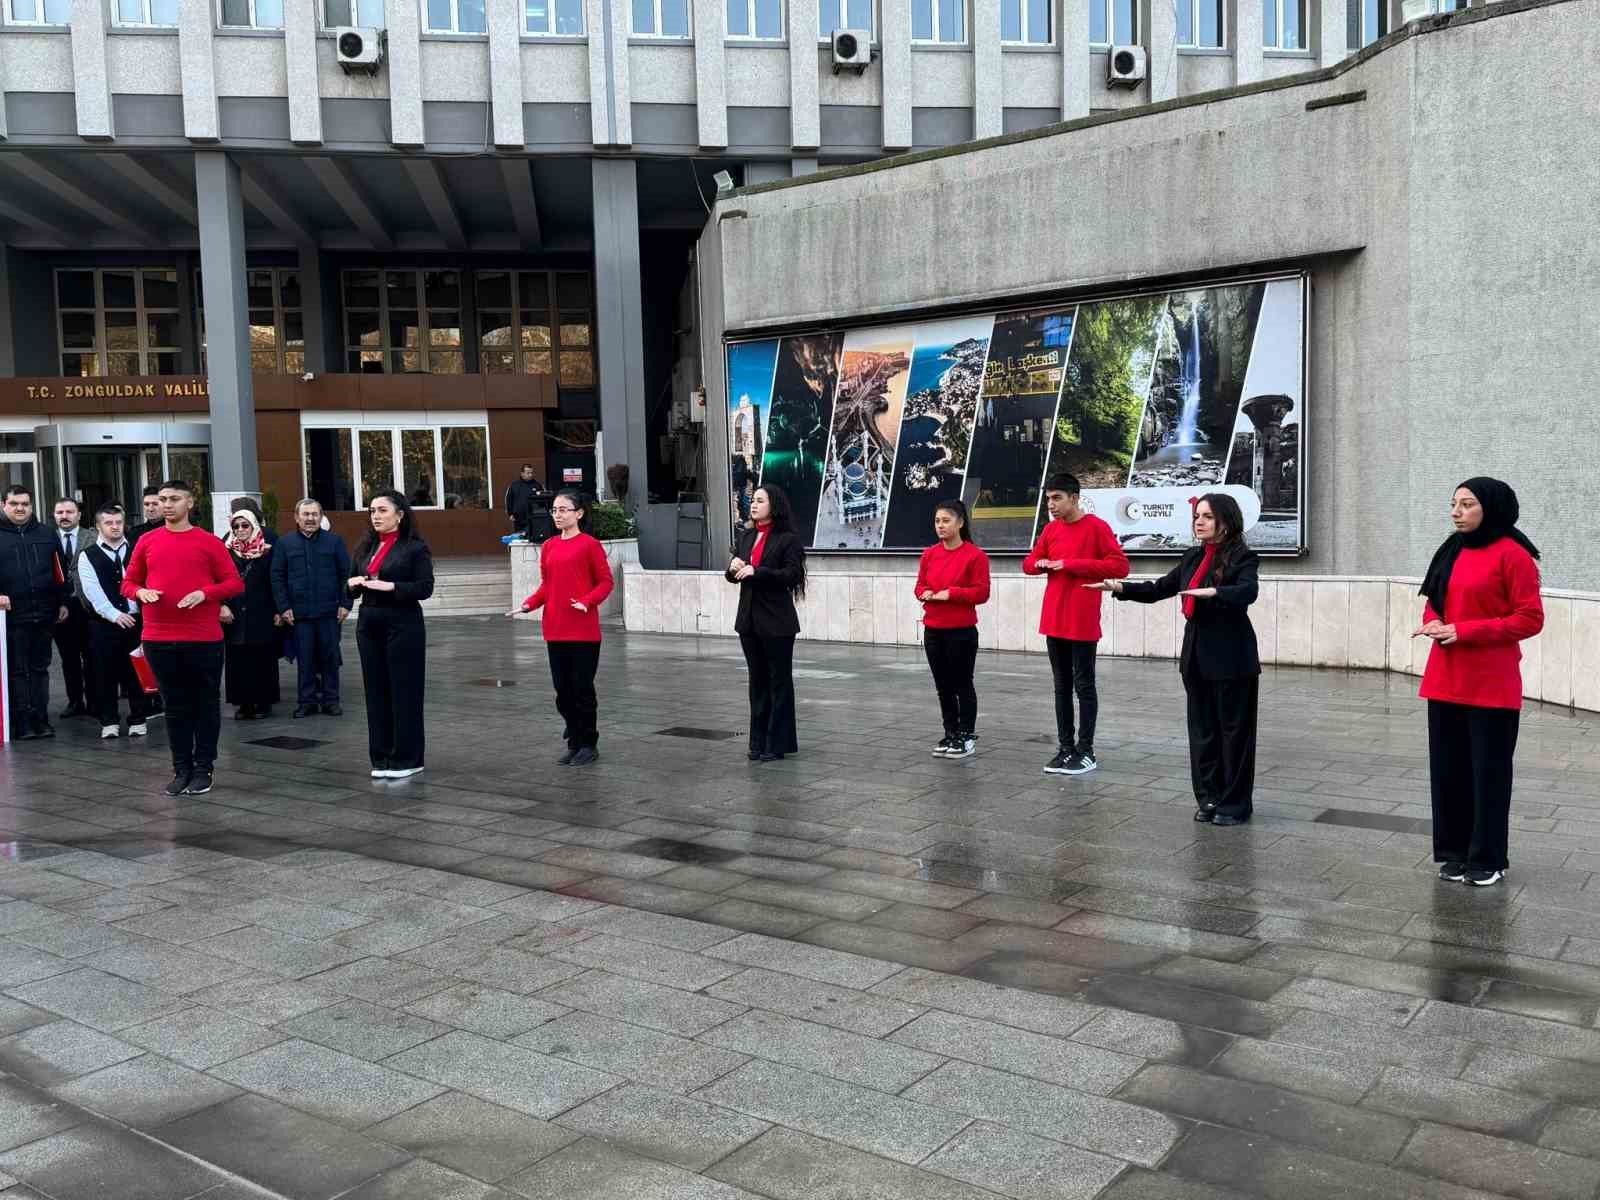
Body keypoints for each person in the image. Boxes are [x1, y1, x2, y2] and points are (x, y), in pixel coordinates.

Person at [1090, 494, 1260, 826]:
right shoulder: (1193, 557)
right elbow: (1158, 588)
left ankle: (1235, 804)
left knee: (1234, 733)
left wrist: (1217, 593)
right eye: (1197, 515)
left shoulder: (1243, 557)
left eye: (1208, 516)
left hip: (1232, 657)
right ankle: (1209, 798)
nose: (1199, 521)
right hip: (1196, 657)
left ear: (1226, 521)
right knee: (1203, 733)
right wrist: (1119, 586)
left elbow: (1248, 591)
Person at [1415, 477, 1544, 888]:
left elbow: (1530, 618)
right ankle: (1453, 853)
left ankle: (1487, 857)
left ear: (1490, 507)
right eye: (1454, 503)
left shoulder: (1514, 555)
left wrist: (1466, 632)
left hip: (1491, 684)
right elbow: (1434, 603)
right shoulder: (1451, 550)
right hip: (1445, 679)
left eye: (1467, 504)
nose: (1456, 511)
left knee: (1487, 774)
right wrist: (1433, 623)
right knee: (1448, 773)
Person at [122, 480, 243, 796]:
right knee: (173, 706)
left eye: (174, 499)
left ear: (189, 503)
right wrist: (140, 591)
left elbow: (234, 583)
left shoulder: (209, 542)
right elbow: (128, 583)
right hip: (159, 637)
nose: (166, 505)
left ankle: (204, 768)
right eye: (162, 499)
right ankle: (181, 769)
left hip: (203, 637)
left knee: (204, 704)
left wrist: (205, 593)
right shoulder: (147, 541)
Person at [1023, 473, 1130, 775]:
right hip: (1053, 620)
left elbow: (1120, 566)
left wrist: (1071, 565)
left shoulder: (1097, 528)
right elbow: (1029, 563)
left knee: (1084, 686)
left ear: (1074, 497)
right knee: (1061, 687)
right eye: (1048, 499)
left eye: (1057, 498)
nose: (1051, 505)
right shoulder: (1051, 530)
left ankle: (1086, 751)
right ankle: (1065, 748)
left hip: (1082, 621)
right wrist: (1041, 564)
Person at [507, 490, 614, 766]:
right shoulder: (550, 546)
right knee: (563, 692)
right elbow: (547, 586)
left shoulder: (589, 544)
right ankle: (574, 739)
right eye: (555, 510)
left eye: (564, 509)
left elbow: (605, 583)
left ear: (579, 513)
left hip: (583, 630)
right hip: (555, 628)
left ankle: (588, 743)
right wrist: (529, 604)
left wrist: (587, 602)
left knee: (582, 690)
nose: (558, 514)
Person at [349, 490, 434, 779]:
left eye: (382, 510)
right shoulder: (365, 547)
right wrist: (353, 584)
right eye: (372, 510)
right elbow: (350, 582)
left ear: (400, 515)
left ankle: (408, 758)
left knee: (403, 691)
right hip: (369, 622)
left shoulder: (414, 548)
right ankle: (381, 756)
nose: (376, 516)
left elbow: (424, 587)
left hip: (402, 622)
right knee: (375, 691)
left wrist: (392, 587)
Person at [726, 483, 806, 763]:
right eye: (753, 500)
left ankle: (778, 743)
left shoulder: (788, 539)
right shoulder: (747, 536)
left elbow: (792, 575)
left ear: (774, 505)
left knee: (778, 681)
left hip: (777, 621)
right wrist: (733, 569)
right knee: (756, 681)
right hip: (748, 620)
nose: (754, 504)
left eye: (760, 500)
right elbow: (736, 574)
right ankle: (757, 741)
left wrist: (758, 572)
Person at [915, 500, 991, 759]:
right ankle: (950, 732)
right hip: (933, 629)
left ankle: (966, 735)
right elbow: (919, 586)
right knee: (943, 685)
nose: (940, 526)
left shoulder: (975, 555)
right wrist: (925, 593)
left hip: (961, 631)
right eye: (937, 521)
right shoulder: (929, 554)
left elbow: (982, 593)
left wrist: (952, 594)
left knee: (962, 683)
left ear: (960, 523)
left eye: (946, 521)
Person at [0, 485, 69, 740]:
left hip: (44, 613)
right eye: (14, 503)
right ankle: (21, 722)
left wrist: (62, 601)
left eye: (25, 504)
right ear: (3, 505)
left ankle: (40, 719)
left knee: (41, 669)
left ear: (32, 506)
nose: (20, 508)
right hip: (11, 617)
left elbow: (60, 571)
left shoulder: (47, 533)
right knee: (17, 671)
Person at [76, 504, 151, 739]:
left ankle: (139, 718)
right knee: (105, 672)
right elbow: (92, 591)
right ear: (98, 526)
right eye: (109, 523)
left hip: (137, 621)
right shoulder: (87, 556)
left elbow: (146, 582)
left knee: (136, 671)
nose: (115, 527)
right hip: (104, 624)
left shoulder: (137, 550)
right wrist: (115, 615)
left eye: (118, 522)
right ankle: (109, 721)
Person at [271, 498, 350, 718]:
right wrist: (284, 607)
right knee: (305, 660)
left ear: (321, 516)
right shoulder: (285, 544)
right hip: (299, 614)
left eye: (315, 514)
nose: (310, 518)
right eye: (305, 514)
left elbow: (346, 574)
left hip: (329, 613)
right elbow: (277, 577)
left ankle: (331, 700)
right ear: (297, 518)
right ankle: (306, 702)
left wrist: (346, 604)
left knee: (330, 658)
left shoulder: (334, 542)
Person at [219, 509, 281, 721]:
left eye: (245, 525)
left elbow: (276, 581)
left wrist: (278, 610)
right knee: (238, 658)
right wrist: (222, 605)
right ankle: (243, 703)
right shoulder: (226, 551)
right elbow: (217, 580)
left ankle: (263, 702)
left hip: (261, 611)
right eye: (236, 526)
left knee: (262, 657)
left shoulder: (267, 551)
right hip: (234, 613)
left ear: (254, 526)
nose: (240, 530)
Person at [50, 497, 94, 720]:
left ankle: (95, 701)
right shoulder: (48, 538)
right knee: (69, 658)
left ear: (79, 514)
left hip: (89, 606)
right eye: (59, 512)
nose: (64, 516)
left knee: (92, 656)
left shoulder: (92, 536)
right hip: (62, 607)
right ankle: (75, 700)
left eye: (69, 511)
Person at [505, 464, 543, 531]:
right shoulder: (514, 485)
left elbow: (542, 501)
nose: (530, 475)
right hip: (518, 518)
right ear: (522, 473)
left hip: (533, 518)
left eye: (531, 473)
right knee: (520, 538)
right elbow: (508, 500)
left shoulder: (537, 485)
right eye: (528, 473)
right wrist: (510, 514)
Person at [731, 456, 751, 529]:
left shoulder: (738, 467)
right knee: (742, 503)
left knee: (741, 503)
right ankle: (745, 519)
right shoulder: (741, 466)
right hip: (741, 486)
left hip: (740, 486)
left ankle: (745, 519)